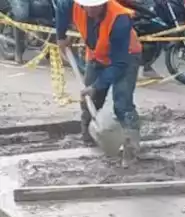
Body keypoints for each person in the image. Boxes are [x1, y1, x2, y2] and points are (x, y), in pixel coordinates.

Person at [55, 0, 143, 165]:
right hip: (96, 54)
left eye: (94, 6)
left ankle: (132, 148)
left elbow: (119, 64)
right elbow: (61, 8)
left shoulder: (120, 19)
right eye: (86, 5)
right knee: (90, 100)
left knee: (122, 103)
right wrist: (60, 36)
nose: (89, 9)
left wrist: (97, 85)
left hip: (126, 56)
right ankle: (89, 137)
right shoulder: (72, 4)